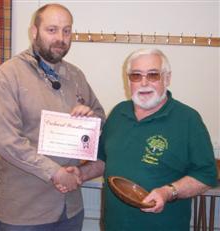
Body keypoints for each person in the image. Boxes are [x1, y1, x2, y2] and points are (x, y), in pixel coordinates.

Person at [0, 3, 105, 231]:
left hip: (70, 208)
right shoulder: (9, 75)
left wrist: (90, 118)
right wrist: (55, 172)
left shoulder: (76, 75)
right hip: (24, 211)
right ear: (34, 32)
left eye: (66, 31)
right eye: (52, 30)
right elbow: (6, 141)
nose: (60, 38)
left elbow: (100, 118)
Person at [74, 48, 218, 231]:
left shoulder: (188, 119)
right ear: (128, 81)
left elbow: (206, 176)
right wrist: (79, 174)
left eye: (153, 75)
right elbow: (103, 160)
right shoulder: (119, 113)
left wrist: (168, 192)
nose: (143, 83)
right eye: (136, 75)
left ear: (167, 78)